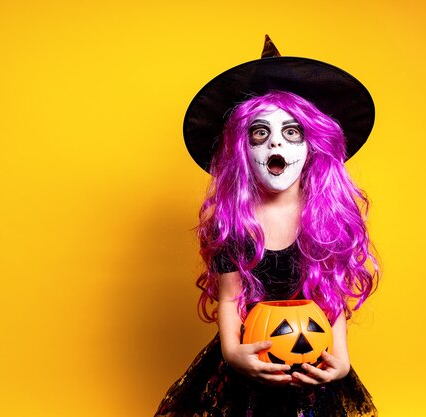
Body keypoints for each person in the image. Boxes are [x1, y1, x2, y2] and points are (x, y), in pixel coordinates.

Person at [155, 36, 379, 417]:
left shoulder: (325, 220)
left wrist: (340, 358)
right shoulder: (235, 222)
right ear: (242, 149)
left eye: (292, 132)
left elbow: (332, 297)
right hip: (252, 350)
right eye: (260, 133)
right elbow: (229, 297)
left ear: (313, 146)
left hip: (309, 350)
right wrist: (232, 354)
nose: (276, 142)